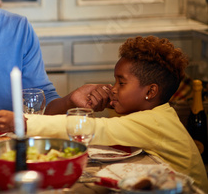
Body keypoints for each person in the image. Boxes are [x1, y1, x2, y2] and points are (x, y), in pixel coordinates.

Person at [21, 36, 208, 190]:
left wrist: (23, 122)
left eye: (121, 83)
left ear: (150, 92)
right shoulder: (158, 113)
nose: (113, 88)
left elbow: (96, 128)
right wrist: (110, 103)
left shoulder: (154, 122)